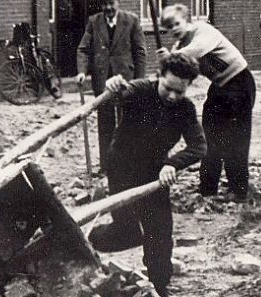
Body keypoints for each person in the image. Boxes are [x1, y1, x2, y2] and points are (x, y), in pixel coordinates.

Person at [88, 52, 206, 297]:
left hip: (154, 172)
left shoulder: (185, 109)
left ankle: (160, 286)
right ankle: (84, 240)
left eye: (180, 91)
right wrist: (113, 85)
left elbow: (199, 146)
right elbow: (115, 96)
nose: (173, 96)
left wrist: (172, 164)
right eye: (168, 88)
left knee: (160, 231)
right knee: (128, 233)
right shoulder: (140, 90)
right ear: (159, 77)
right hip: (122, 167)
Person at [158, 4, 256, 202]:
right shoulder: (178, 48)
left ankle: (238, 191)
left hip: (240, 82)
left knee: (235, 137)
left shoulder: (203, 31)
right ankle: (207, 188)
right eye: (169, 27)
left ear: (187, 20)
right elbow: (183, 71)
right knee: (209, 135)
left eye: (177, 23)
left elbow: (198, 49)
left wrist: (171, 57)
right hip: (220, 86)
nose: (174, 29)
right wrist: (166, 66)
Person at [76, 0, 147, 172]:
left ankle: (127, 163)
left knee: (127, 121)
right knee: (105, 123)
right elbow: (83, 48)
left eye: (111, 3)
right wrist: (82, 71)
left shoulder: (131, 21)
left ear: (118, 3)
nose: (108, 8)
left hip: (126, 80)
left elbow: (140, 52)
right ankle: (107, 166)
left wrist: (139, 81)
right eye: (104, 4)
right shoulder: (94, 21)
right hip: (102, 81)